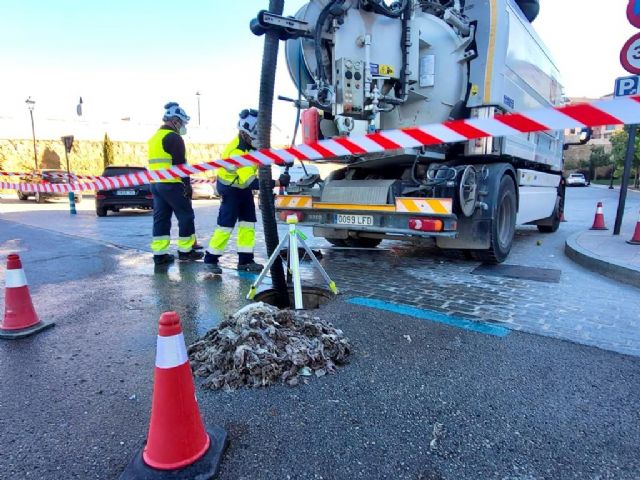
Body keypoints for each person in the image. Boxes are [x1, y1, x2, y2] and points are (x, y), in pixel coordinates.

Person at [204, 108, 290, 274]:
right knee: (225, 226)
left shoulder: (250, 144)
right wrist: (279, 182)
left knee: (247, 225)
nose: (256, 142)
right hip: (231, 191)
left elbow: (264, 153)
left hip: (242, 189)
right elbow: (253, 183)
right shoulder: (237, 152)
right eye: (253, 138)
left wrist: (282, 160)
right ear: (244, 133)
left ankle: (245, 260)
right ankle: (211, 259)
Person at [148, 102, 204, 265]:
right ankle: (185, 251)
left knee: (161, 219)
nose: (183, 126)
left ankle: (160, 254)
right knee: (186, 216)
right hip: (172, 184)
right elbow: (180, 165)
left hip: (156, 184)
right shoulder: (174, 137)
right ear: (175, 121)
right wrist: (187, 185)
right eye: (182, 123)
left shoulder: (154, 138)